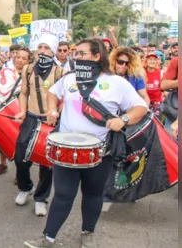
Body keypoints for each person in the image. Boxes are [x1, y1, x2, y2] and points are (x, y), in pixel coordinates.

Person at [24, 38, 148, 248]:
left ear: (97, 56)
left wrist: (123, 119)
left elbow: (140, 107)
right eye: (76, 53)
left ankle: (88, 232)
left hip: (100, 151)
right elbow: (52, 93)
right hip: (66, 148)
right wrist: (53, 109)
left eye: (81, 54)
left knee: (92, 194)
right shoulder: (69, 78)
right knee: (63, 194)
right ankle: (48, 238)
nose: (76, 57)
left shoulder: (117, 83)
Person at [14, 34, 63, 217]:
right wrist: (22, 110)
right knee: (20, 156)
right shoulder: (27, 69)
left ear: (53, 51)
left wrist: (56, 112)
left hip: (50, 122)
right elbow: (23, 93)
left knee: (47, 162)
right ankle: (25, 187)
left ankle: (41, 198)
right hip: (31, 118)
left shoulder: (59, 72)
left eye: (47, 48)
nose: (42, 51)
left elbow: (65, 97)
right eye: (40, 47)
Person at [0, 46, 31, 175]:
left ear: (28, 61)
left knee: (21, 142)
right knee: (3, 136)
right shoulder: (5, 72)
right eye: (17, 57)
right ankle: (3, 163)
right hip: (5, 109)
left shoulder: (30, 75)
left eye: (23, 58)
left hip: (22, 111)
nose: (19, 60)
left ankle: (20, 173)